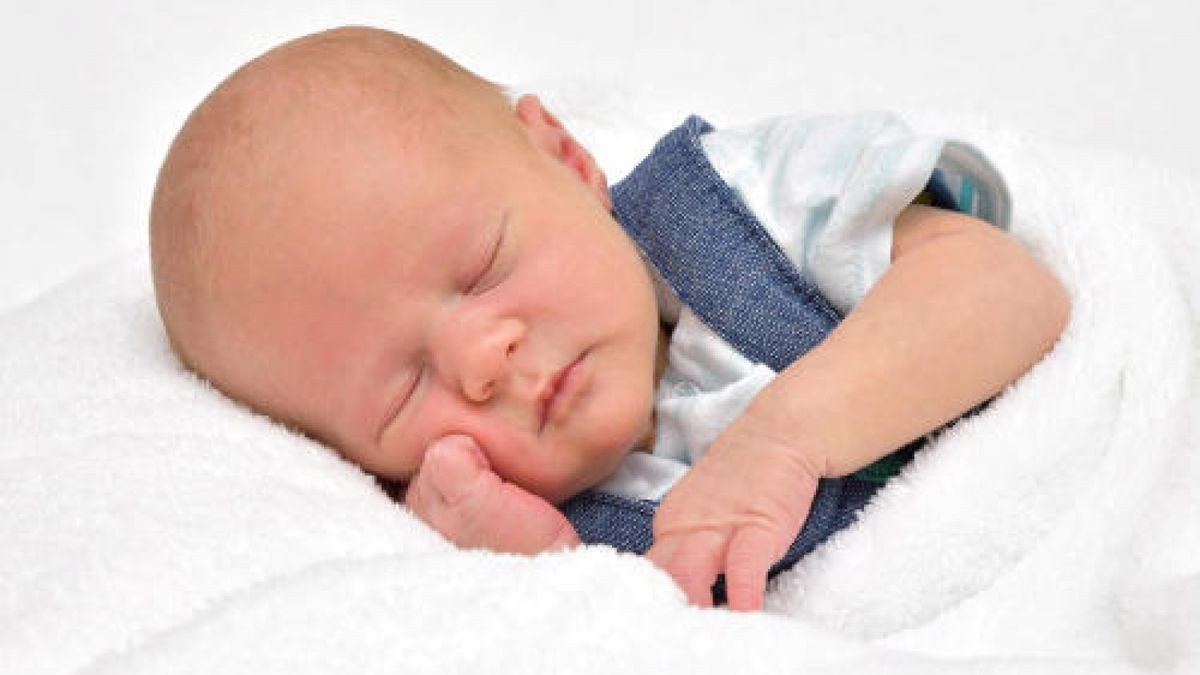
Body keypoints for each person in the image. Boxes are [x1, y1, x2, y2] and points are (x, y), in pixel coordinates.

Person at [149, 26, 1070, 612]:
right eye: (403, 391)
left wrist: (786, 439)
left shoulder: (741, 206)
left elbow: (1006, 288)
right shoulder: (536, 511)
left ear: (567, 159)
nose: (479, 360)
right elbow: (618, 636)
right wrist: (524, 556)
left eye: (480, 269)